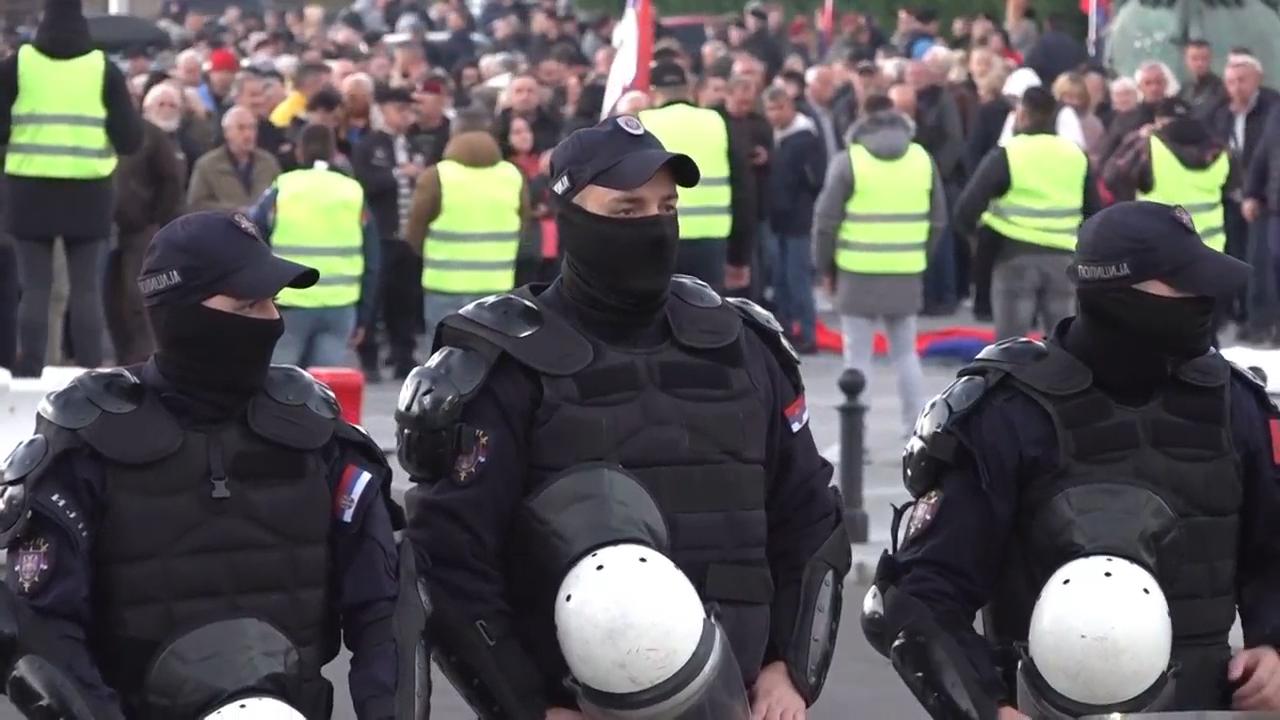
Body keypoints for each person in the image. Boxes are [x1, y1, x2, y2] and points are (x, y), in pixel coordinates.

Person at [398, 115, 850, 718]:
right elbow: (450, 560)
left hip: (744, 697)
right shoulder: (505, 365)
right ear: (570, 216)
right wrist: (530, 706)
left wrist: (790, 670)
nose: (653, 226)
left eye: (666, 207)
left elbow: (811, 520)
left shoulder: (743, 345)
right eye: (627, 210)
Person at [0, 210, 424, 719]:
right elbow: (42, 628)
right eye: (247, 303)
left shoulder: (317, 434)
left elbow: (385, 612)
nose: (270, 319)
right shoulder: (88, 444)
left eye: (275, 300)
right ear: (180, 312)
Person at [864, 200, 1280, 718]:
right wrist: (985, 707)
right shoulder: (1008, 414)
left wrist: (1274, 645)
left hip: (1201, 705)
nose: (1204, 299)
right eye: (1184, 284)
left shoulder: (1235, 405)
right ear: (1119, 293)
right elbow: (919, 598)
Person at [0, 0, 144, 378]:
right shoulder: (101, 68)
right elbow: (130, 139)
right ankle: (90, 372)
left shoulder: (19, 63)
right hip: (89, 191)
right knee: (85, 291)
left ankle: (29, 370)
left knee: (34, 288)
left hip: (28, 188)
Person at [814, 95, 946, 440]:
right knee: (905, 354)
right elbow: (938, 221)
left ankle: (856, 439)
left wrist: (823, 266)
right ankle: (917, 431)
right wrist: (919, 256)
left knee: (857, 357)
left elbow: (826, 221)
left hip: (855, 270)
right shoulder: (922, 159)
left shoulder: (849, 161)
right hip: (905, 268)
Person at [955, 87, 1102, 341]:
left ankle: (1015, 382)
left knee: (1010, 346)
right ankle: (1061, 381)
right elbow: (1094, 213)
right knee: (1064, 344)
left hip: (1013, 257)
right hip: (1063, 259)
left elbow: (966, 209)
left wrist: (978, 240)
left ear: (1022, 114)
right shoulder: (1076, 155)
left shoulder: (1008, 152)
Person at [250, 124, 380, 369]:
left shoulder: (282, 188)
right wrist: (364, 314)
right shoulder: (352, 191)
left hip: (288, 304)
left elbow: (253, 240)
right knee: (323, 390)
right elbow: (372, 257)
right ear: (334, 153)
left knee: (281, 385)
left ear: (299, 152)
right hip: (339, 306)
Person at [404, 107, 530, 344]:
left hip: (443, 285)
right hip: (497, 285)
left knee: (443, 360)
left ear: (454, 134)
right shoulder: (513, 175)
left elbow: (414, 231)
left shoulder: (436, 176)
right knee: (493, 358)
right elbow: (524, 226)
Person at [640, 61, 752, 292]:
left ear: (652, 92)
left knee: (659, 317)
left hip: (656, 236)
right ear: (689, 89)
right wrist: (740, 256)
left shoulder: (642, 123)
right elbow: (744, 190)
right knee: (706, 317)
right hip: (711, 240)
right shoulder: (717, 122)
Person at [107, 88, 186, 365]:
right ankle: (114, 357)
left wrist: (153, 218)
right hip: (100, 228)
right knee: (107, 297)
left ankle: (145, 359)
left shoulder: (151, 135)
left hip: (140, 230)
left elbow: (170, 181)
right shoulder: (101, 130)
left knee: (138, 298)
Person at [353, 85, 426, 381]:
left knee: (405, 298)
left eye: (409, 110)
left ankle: (403, 354)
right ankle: (368, 356)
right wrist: (398, 174)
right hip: (381, 233)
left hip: (408, 235)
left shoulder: (415, 146)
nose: (405, 116)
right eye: (399, 109)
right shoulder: (369, 145)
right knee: (376, 296)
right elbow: (365, 183)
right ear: (382, 111)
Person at [1102, 98, 1230, 251]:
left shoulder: (1149, 146)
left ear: (1158, 122)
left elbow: (1111, 176)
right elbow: (1233, 187)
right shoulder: (1218, 150)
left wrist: (1138, 137)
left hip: (1161, 250)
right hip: (1211, 248)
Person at [763, 86, 825, 353]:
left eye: (779, 108)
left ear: (790, 108)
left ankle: (808, 333)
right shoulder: (773, 138)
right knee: (780, 279)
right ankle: (786, 330)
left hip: (798, 219)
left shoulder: (805, 138)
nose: (775, 115)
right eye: (770, 109)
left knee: (797, 278)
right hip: (776, 217)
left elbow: (814, 179)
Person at [187, 106, 281, 212]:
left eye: (252, 127)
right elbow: (196, 204)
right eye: (241, 128)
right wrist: (235, 211)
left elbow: (281, 195)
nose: (248, 134)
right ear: (226, 132)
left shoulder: (268, 162)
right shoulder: (207, 165)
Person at [1181, 40, 1227, 117]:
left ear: (1210, 59)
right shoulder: (1184, 89)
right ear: (1186, 60)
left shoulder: (1220, 89)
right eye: (1194, 59)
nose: (1199, 63)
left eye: (1204, 58)